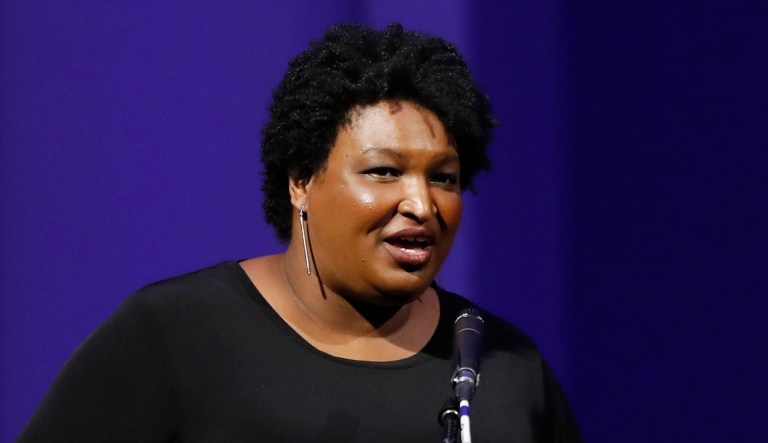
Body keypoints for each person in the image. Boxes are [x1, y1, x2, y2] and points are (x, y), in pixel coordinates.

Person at [18, 23, 581, 442]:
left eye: (445, 179)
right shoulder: (176, 334)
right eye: (383, 171)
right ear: (300, 181)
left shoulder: (502, 367)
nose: (421, 204)